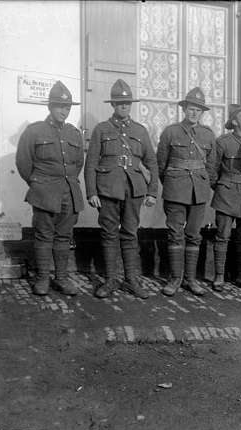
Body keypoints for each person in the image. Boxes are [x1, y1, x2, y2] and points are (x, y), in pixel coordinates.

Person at [85, 79, 158, 299]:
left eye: (126, 103)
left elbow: (152, 162)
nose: (123, 106)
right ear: (113, 105)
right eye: (119, 103)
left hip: (134, 190)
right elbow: (91, 163)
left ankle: (132, 280)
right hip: (107, 189)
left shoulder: (140, 131)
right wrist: (91, 192)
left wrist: (153, 191)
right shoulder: (101, 129)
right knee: (109, 234)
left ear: (130, 105)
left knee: (130, 233)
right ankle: (111, 279)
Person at [16, 81, 84, 296]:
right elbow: (23, 163)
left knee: (64, 236)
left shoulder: (74, 133)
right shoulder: (34, 131)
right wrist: (38, 184)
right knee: (44, 235)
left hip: (69, 193)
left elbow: (78, 163)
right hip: (44, 193)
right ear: (50, 107)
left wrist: (67, 183)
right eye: (59, 106)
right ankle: (43, 278)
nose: (64, 111)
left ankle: (61, 279)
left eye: (67, 107)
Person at [157, 87, 216, 297]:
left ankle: (190, 279)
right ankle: (175, 278)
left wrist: (203, 185)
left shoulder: (208, 135)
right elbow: (161, 165)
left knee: (194, 234)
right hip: (175, 189)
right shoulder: (170, 132)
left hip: (199, 191)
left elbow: (212, 167)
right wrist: (172, 183)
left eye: (198, 110)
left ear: (202, 113)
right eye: (191, 109)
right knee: (175, 233)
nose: (194, 113)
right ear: (185, 109)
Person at [208, 103, 241, 292]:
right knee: (223, 236)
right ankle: (219, 276)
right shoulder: (223, 141)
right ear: (234, 121)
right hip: (226, 193)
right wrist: (221, 187)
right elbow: (212, 170)